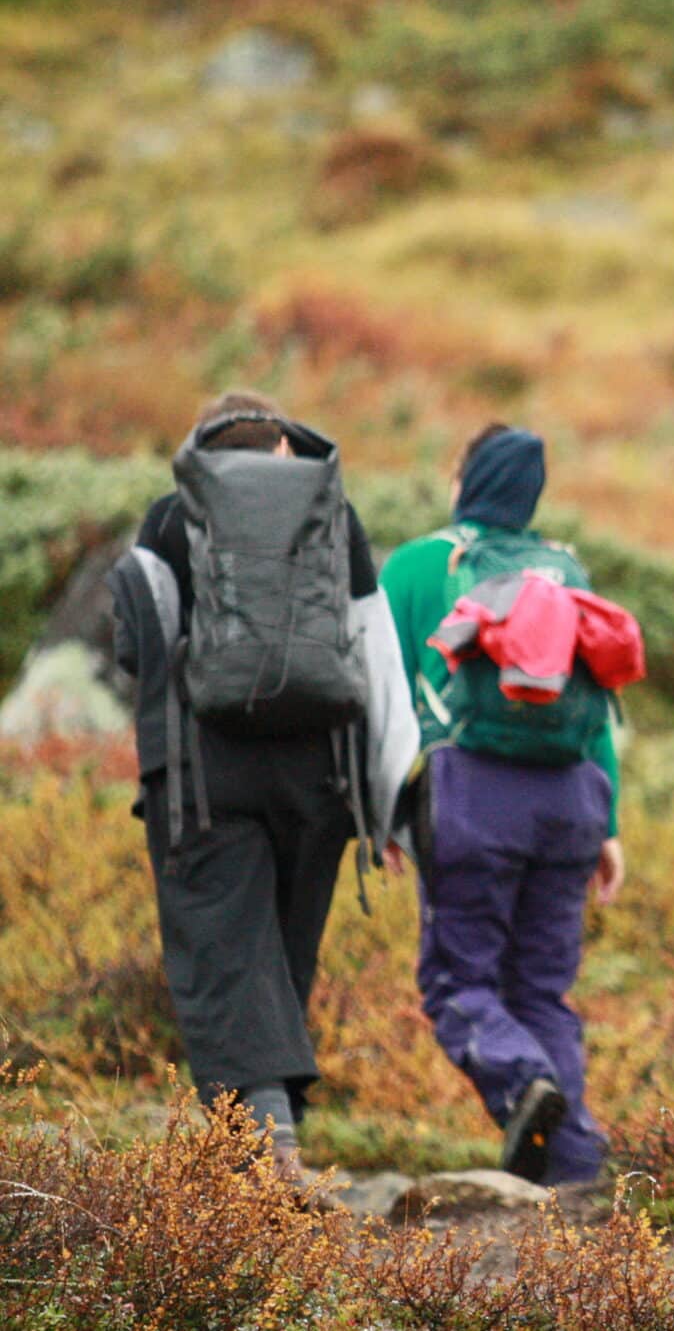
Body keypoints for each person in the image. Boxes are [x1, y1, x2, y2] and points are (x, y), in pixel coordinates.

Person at [107, 391, 416, 1181]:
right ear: (282, 447)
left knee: (227, 953)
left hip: (205, 778)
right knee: (283, 955)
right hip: (320, 779)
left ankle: (268, 1148)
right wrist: (385, 808)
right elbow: (376, 662)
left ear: (203, 449)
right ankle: (267, 1151)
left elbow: (138, 646)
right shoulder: (331, 517)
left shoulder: (171, 519)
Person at [380, 424, 629, 1186]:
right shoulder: (566, 567)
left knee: (460, 985)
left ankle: (527, 1086)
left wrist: (378, 808)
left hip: (472, 796)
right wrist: (609, 826)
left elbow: (380, 696)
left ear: (465, 478)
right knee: (539, 988)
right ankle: (575, 1165)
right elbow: (600, 709)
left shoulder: (422, 563)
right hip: (574, 797)